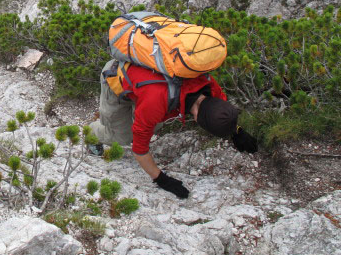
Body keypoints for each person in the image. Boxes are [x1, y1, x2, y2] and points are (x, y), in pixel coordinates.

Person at [89, 59, 258, 199]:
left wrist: (237, 131)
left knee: (153, 123)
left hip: (144, 86)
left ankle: (136, 111)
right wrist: (161, 178)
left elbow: (221, 110)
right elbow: (139, 150)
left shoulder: (207, 84)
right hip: (116, 79)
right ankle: (91, 131)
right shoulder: (158, 101)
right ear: (198, 119)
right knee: (124, 137)